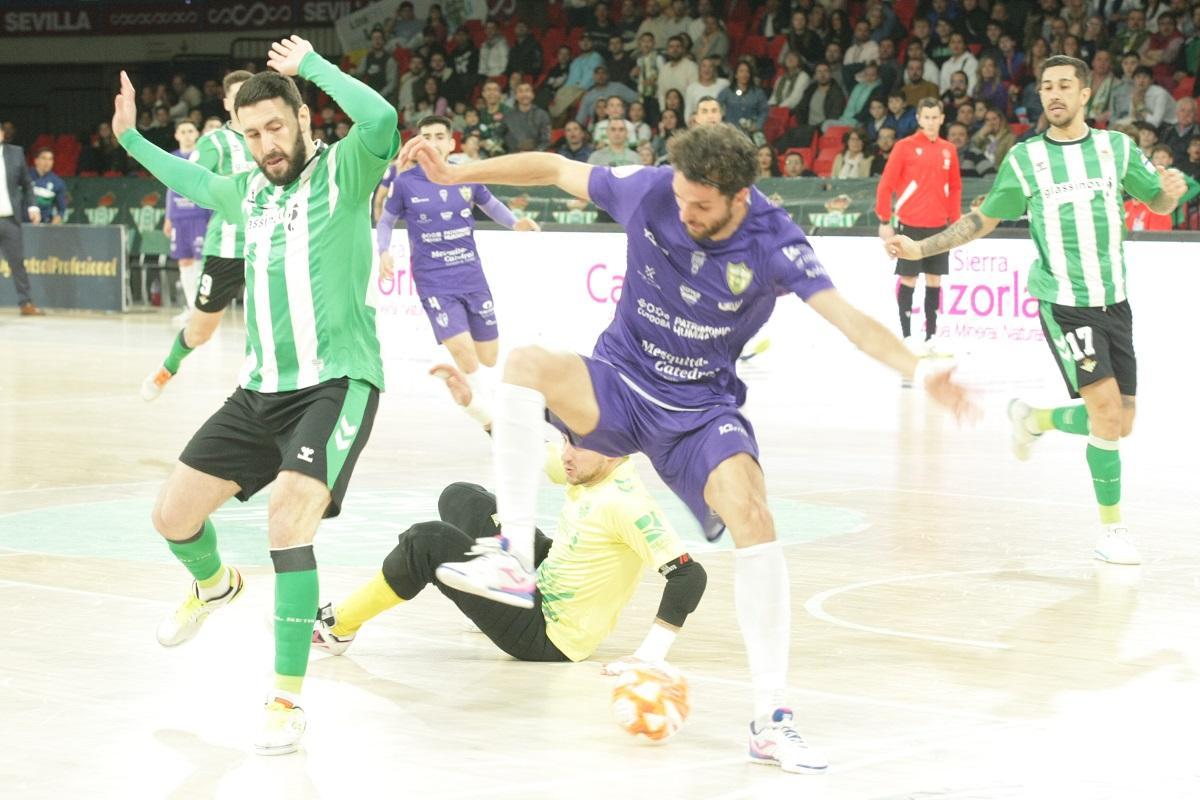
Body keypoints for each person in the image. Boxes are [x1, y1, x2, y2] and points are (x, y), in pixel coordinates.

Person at [397, 121, 975, 774]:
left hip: (698, 411)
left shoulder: (775, 241)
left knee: (754, 516)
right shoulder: (651, 191)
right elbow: (556, 167)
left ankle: (772, 719)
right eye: (680, 197)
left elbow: (850, 321)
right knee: (527, 363)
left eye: (700, 205)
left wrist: (921, 370)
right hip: (618, 381)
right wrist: (458, 171)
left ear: (738, 198)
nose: (683, 211)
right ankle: (510, 561)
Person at [113, 35, 402, 754]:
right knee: (172, 517)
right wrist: (127, 138)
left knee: (286, 520)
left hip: (337, 382)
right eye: (253, 134)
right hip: (259, 390)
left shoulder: (345, 169)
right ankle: (214, 586)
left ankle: (285, 699)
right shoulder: (244, 193)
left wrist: (311, 67)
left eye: (277, 127)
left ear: (303, 122)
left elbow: (382, 121)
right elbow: (185, 176)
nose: (267, 144)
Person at [885, 55, 1188, 566]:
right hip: (1064, 303)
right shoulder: (1026, 159)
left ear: (1086, 94)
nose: (1054, 94)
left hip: (1115, 300)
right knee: (1108, 414)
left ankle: (1036, 419)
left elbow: (1155, 202)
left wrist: (1169, 194)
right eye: (1047, 86)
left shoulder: (1116, 149)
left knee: (1123, 420)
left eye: (1065, 86)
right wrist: (922, 248)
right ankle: (1112, 531)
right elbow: (982, 219)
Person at [313, 366, 707, 673]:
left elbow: (690, 576)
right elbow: (524, 450)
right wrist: (472, 404)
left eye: (577, 444)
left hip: (548, 633)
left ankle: (338, 627)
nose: (566, 453)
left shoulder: (627, 505)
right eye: (567, 439)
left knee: (426, 542)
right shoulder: (588, 464)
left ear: (615, 450)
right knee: (462, 498)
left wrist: (650, 655)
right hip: (542, 577)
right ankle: (485, 604)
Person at [377, 114, 538, 426]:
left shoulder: (468, 176)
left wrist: (516, 222)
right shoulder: (405, 183)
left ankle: (489, 403)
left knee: (488, 357)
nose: (433, 142)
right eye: (426, 136)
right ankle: (493, 418)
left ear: (451, 144)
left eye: (440, 136)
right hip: (433, 280)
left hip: (471, 275)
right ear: (417, 143)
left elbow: (491, 205)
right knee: (464, 353)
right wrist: (382, 249)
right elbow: (385, 220)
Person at [140, 70, 254, 402]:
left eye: (252, 92)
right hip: (227, 248)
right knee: (199, 331)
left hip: (271, 245)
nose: (247, 100)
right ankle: (167, 368)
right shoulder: (215, 142)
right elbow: (191, 183)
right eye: (239, 95)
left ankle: (263, 389)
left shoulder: (276, 135)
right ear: (228, 102)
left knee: (267, 322)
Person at [876, 98, 962, 353]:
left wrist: (955, 222)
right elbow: (886, 184)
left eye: (935, 117)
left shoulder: (949, 149)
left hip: (939, 226)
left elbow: (955, 187)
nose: (931, 122)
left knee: (935, 279)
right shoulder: (904, 147)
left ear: (942, 118)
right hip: (910, 225)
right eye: (927, 117)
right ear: (918, 118)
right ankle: (906, 335)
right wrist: (884, 220)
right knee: (909, 278)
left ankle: (931, 337)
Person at [163, 120, 213, 326]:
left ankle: (202, 310)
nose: (186, 135)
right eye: (182, 131)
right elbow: (169, 187)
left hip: (200, 214)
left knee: (201, 261)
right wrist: (168, 216)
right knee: (184, 262)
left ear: (197, 134)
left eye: (190, 131)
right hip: (179, 216)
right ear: (176, 135)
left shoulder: (204, 155)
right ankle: (192, 307)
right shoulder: (172, 158)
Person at [0, 126, 43, 315]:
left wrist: (32, 206)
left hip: (10, 219)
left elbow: (26, 184)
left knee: (17, 261)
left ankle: (25, 303)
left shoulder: (15, 153)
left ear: (2, 134)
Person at [356, 26, 398, 103]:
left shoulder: (390, 60)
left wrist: (378, 97)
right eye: (374, 38)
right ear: (371, 41)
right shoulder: (366, 58)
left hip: (384, 99)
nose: (377, 41)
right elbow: (358, 74)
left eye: (379, 38)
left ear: (384, 41)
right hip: (368, 96)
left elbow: (391, 85)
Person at [28, 147, 67, 224]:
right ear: (36, 161)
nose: (47, 162)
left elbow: (61, 210)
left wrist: (51, 227)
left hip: (44, 224)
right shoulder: (25, 177)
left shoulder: (58, 182)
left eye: (50, 159)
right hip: (22, 224)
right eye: (44, 158)